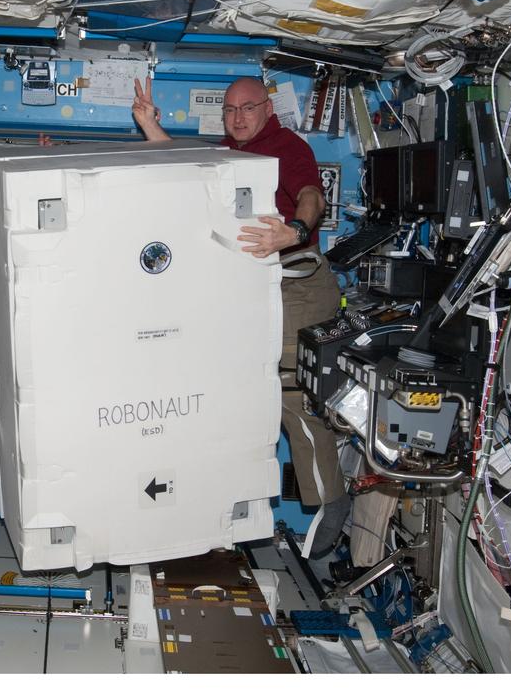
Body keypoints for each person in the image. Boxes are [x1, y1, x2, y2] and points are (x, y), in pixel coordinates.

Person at [130, 76, 351, 558]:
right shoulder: (230, 152)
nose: (237, 117)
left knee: (292, 390)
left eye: (247, 108)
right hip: (254, 286)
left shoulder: (287, 147)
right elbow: (188, 166)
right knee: (228, 390)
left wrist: (293, 230)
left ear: (268, 109)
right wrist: (149, 125)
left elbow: (312, 195)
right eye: (229, 109)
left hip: (299, 281)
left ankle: (331, 498)